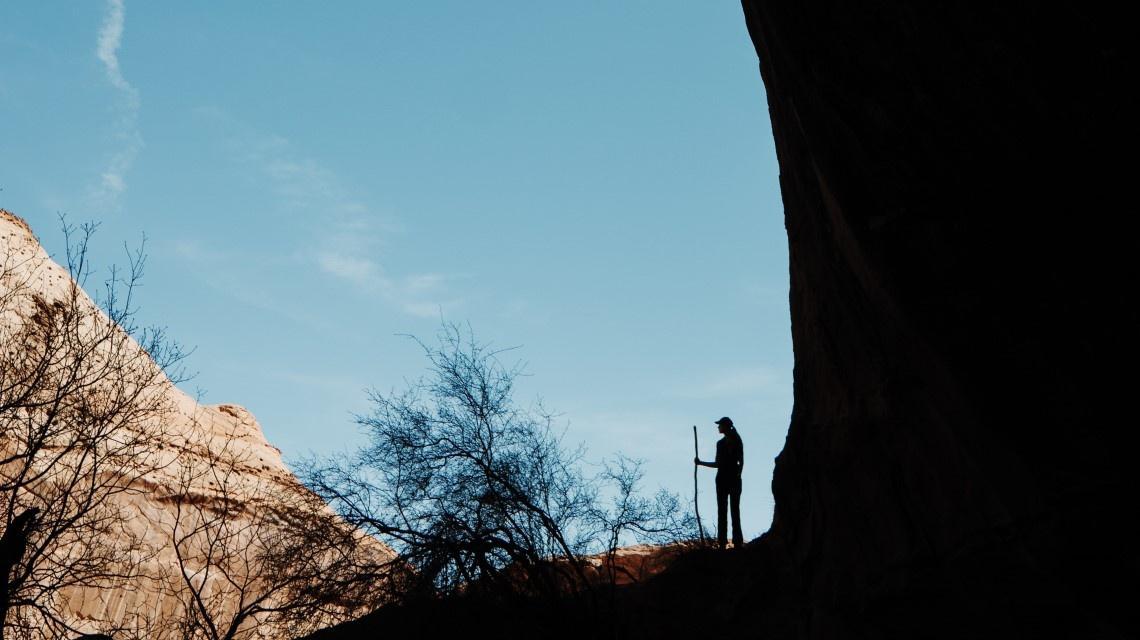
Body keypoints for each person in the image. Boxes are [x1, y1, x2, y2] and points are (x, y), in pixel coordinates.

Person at [694, 417, 744, 549]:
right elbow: (741, 462)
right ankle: (733, 542)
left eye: (720, 425)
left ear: (725, 427)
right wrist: (738, 474)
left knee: (725, 510)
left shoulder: (726, 443)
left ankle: (725, 542)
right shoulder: (732, 441)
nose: (718, 427)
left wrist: (701, 463)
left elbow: (719, 464)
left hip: (725, 479)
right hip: (730, 479)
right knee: (732, 510)